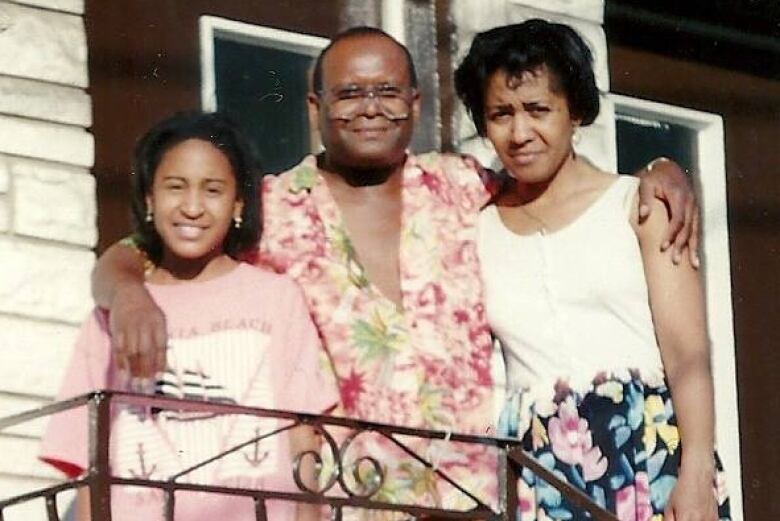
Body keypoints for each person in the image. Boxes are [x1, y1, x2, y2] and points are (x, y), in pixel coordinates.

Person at [92, 27, 699, 516]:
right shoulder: (272, 209)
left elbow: (563, 179)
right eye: (349, 94)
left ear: (414, 103)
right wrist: (126, 294)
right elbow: (142, 247)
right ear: (315, 107)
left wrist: (661, 169)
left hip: (477, 498)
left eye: (387, 92)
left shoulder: (463, 186)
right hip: (341, 496)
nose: (370, 109)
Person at [455, 20, 731, 520]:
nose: (520, 133)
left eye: (539, 110)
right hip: (540, 469)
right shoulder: (477, 226)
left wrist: (695, 475)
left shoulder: (640, 205)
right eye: (501, 114)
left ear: (575, 110)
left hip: (646, 452)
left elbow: (687, 352)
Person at [40, 112, 338, 521]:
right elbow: (88, 459)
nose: (193, 207)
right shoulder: (112, 315)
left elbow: (306, 440)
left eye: (212, 190)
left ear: (237, 204)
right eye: (175, 187)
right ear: (149, 200)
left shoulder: (276, 299)